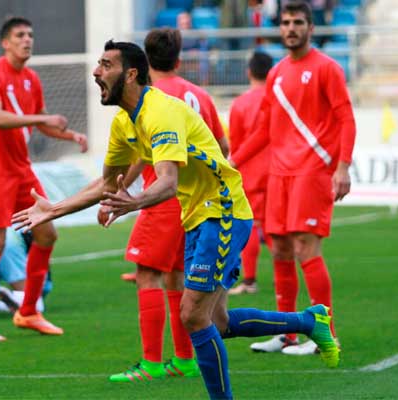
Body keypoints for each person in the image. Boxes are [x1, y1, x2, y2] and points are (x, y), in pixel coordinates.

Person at [13, 39, 339, 399]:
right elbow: (106, 183)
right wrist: (54, 209)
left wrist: (133, 202)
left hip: (223, 210)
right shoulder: (125, 122)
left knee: (192, 316)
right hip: (197, 216)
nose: (96, 71)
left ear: (131, 73)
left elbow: (167, 182)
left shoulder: (161, 112)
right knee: (217, 322)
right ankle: (310, 320)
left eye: (106, 65)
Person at [229, 1, 355, 355]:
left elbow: (346, 118)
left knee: (305, 248)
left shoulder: (327, 69)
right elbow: (265, 128)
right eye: (285, 22)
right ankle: (287, 333)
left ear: (310, 28)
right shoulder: (276, 73)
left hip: (313, 170)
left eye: (298, 22)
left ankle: (324, 334)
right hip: (279, 174)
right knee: (281, 250)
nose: (291, 28)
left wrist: (342, 166)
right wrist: (233, 160)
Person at [107, 27, 228, 383]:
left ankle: (150, 364)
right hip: (195, 201)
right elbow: (222, 147)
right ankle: (185, 359)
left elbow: (146, 157)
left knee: (147, 274)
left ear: (142, 60)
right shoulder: (198, 95)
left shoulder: (150, 99)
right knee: (177, 276)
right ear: (178, 57)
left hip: (160, 198)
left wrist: (121, 192)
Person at [0, 16, 88, 342]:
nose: (27, 40)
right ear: (6, 42)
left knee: (47, 233)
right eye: (20, 35)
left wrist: (69, 134)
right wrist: (43, 117)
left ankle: (29, 311)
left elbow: (39, 123)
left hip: (21, 170)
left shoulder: (31, 78)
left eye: (30, 35)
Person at [227, 52, 274, 295]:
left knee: (252, 225)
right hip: (278, 170)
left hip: (250, 171)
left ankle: (250, 280)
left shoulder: (241, 104)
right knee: (275, 226)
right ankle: (282, 275)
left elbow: (235, 142)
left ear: (249, 72)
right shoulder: (278, 100)